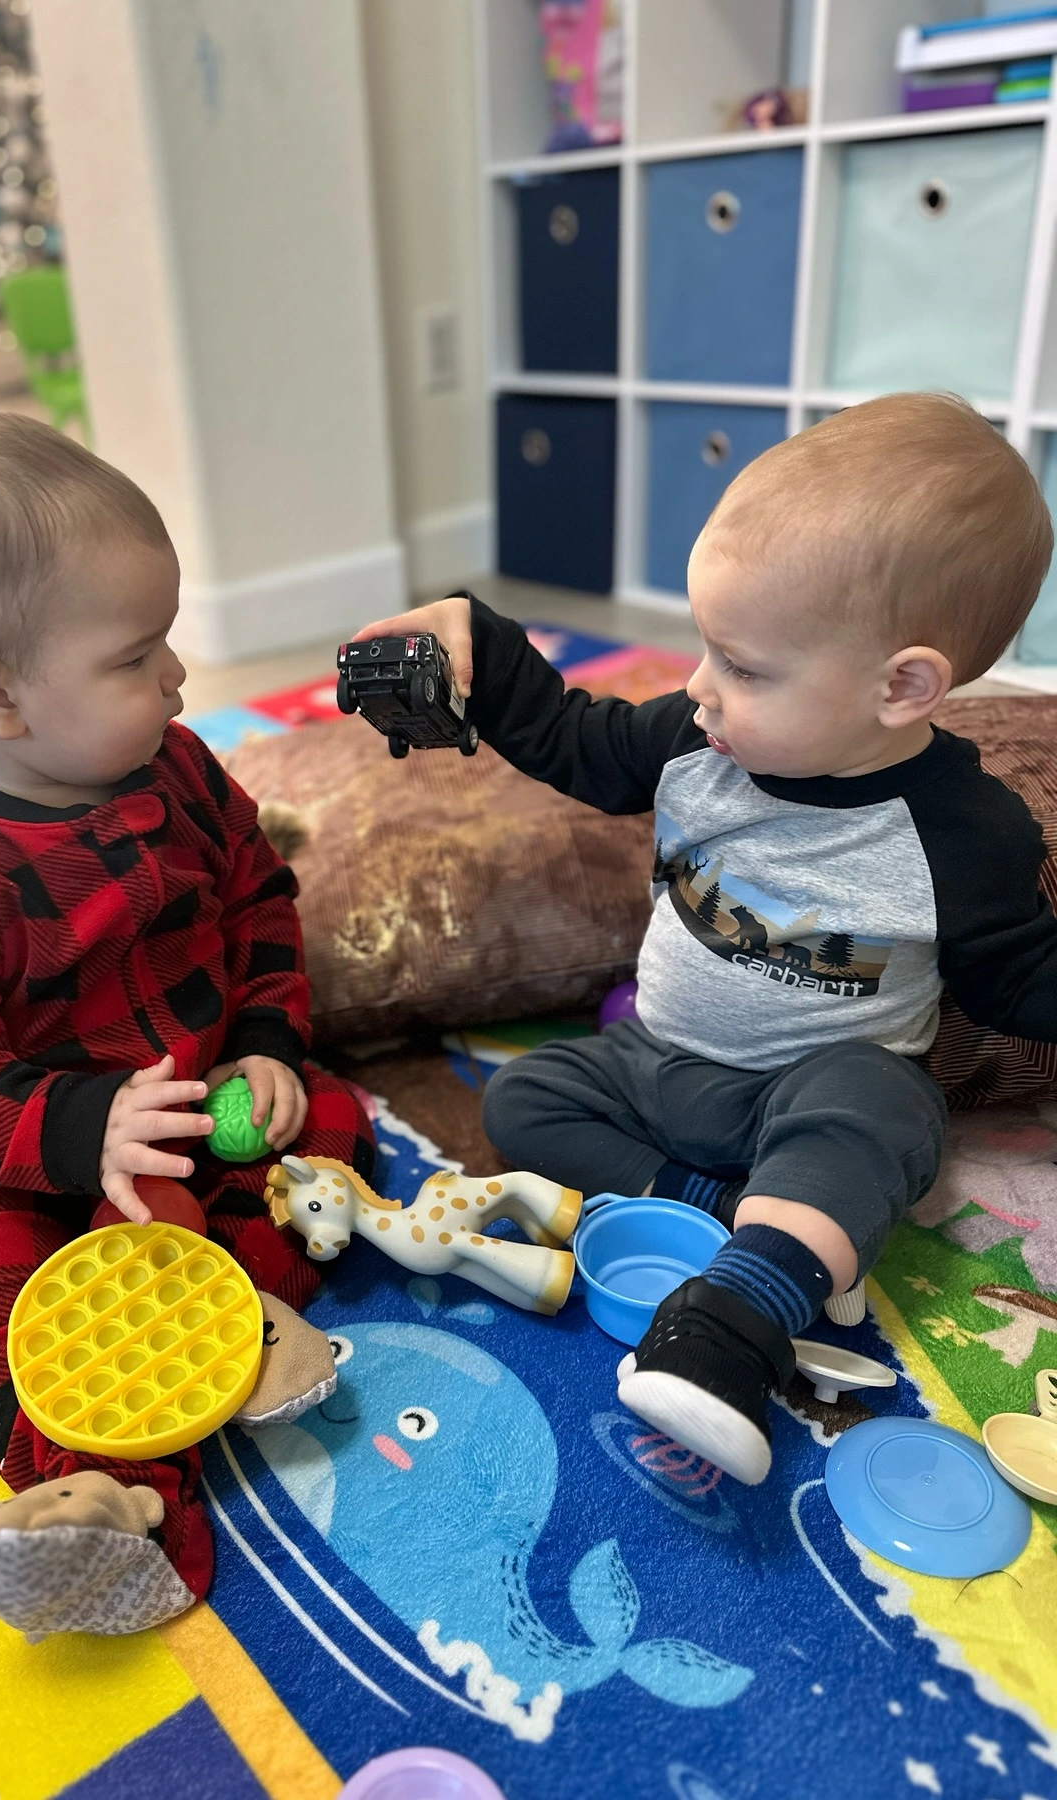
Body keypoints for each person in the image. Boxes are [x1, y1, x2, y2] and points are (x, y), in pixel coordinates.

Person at [353, 392, 1057, 1486]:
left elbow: (1019, 982)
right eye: (706, 650)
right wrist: (477, 645)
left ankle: (728, 1332)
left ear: (903, 686)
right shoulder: (695, 738)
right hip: (657, 1062)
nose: (698, 686)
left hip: (815, 1086)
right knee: (522, 1104)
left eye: (747, 667)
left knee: (889, 1111)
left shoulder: (963, 833)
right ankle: (753, 1221)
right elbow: (578, 744)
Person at [0, 410, 373, 1635]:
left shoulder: (179, 765)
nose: (180, 678)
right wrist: (77, 1134)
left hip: (197, 1095)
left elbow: (258, 896)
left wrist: (269, 1044)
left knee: (334, 1124)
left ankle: (231, 1319)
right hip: (33, 1145)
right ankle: (93, 1495)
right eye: (137, 658)